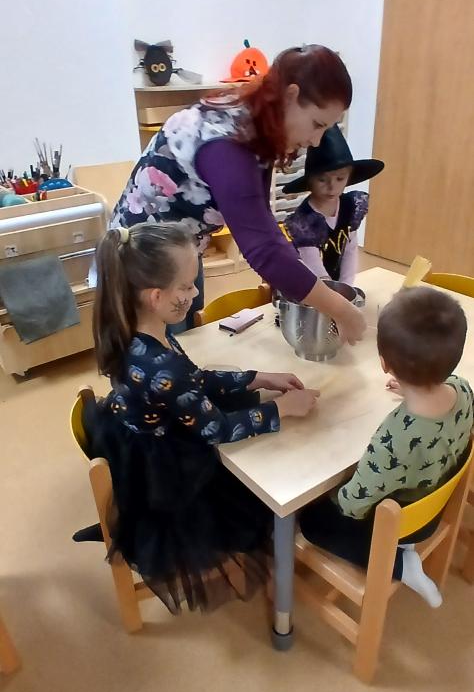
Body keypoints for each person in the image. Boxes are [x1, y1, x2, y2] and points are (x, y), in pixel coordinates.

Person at [86, 221, 319, 614]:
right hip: (162, 471)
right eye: (187, 286)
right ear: (156, 296)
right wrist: (282, 408)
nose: (194, 294)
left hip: (134, 432)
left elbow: (193, 379)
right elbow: (217, 429)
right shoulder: (161, 364)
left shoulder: (138, 331)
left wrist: (257, 377)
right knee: (261, 493)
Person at [108, 45, 365, 341]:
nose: (317, 141)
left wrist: (286, 280)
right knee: (158, 352)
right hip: (143, 265)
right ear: (290, 95)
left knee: (188, 344)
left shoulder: (258, 122)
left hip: (182, 250)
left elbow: (262, 222)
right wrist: (341, 310)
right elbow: (263, 248)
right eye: (317, 125)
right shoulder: (226, 143)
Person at [299, 286, 473, 607]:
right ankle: (402, 552)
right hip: (432, 510)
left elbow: (353, 504)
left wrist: (329, 495)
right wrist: (413, 388)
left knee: (312, 520)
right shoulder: (462, 388)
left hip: (399, 525)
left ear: (383, 363)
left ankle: (400, 564)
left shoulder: (394, 439)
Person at [283, 124, 384, 284]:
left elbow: (350, 251)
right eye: (322, 180)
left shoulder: (350, 206)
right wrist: (332, 293)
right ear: (310, 181)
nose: (332, 187)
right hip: (306, 285)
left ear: (349, 177)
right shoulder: (304, 220)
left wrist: (346, 286)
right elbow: (314, 267)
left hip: (333, 286)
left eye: (340, 178)